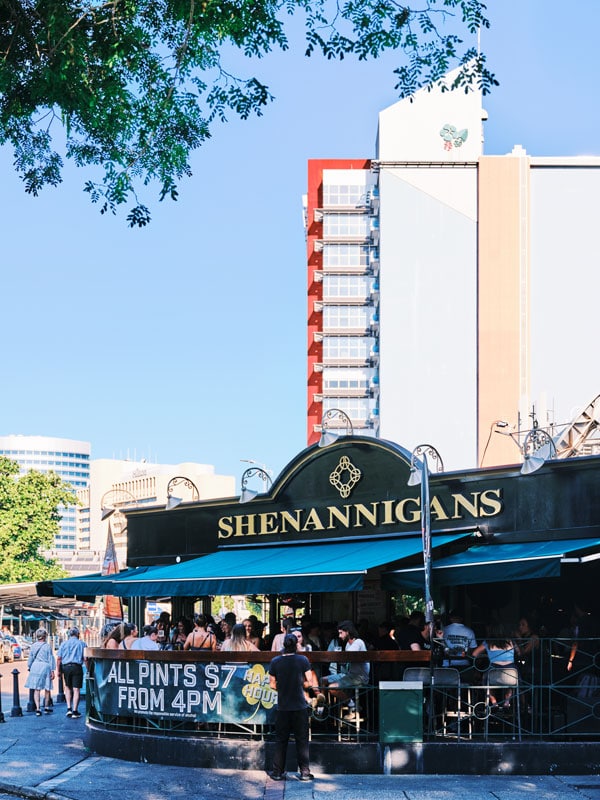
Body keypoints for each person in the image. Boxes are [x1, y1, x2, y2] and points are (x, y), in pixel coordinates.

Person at [268, 633, 315, 782]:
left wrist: (283, 687)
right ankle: (305, 773)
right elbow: (310, 681)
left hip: (283, 706)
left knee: (281, 740)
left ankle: (277, 772)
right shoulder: (303, 660)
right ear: (296, 645)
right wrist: (300, 685)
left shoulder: (275, 661)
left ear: (283, 645)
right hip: (299, 705)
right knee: (302, 740)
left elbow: (272, 684)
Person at [321, 620, 370, 718]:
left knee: (332, 687)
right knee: (323, 680)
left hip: (359, 677)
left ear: (347, 631)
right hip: (349, 674)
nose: (339, 636)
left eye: (341, 633)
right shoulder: (348, 644)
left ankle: (352, 705)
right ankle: (322, 707)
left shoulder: (358, 642)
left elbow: (348, 657)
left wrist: (338, 657)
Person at [56, 627, 87, 719]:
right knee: (76, 689)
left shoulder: (63, 644)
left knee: (67, 688)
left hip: (66, 667)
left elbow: (59, 658)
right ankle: (75, 710)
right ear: (78, 634)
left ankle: (68, 708)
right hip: (77, 667)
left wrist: (58, 670)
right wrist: (89, 669)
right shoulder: (82, 644)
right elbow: (85, 659)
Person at [25, 628, 56, 716]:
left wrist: (30, 666)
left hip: (35, 666)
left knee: (36, 689)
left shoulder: (33, 646)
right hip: (45, 666)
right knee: (47, 688)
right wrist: (52, 671)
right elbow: (51, 659)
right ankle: (46, 707)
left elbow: (30, 658)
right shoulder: (47, 646)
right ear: (44, 636)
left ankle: (38, 709)